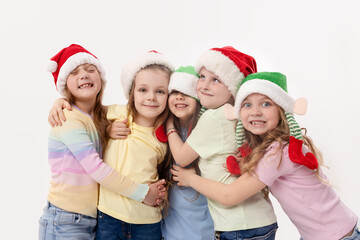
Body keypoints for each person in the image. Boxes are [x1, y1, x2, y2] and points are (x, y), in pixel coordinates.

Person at [171, 72, 360, 240]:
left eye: (266, 103)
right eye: (247, 104)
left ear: (281, 109)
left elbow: (229, 195)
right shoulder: (274, 148)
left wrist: (190, 179)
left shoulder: (278, 152)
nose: (255, 111)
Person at [39, 44, 166, 240]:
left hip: (90, 219)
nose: (84, 75)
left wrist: (106, 130)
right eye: (74, 72)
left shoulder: (96, 118)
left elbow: (102, 120)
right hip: (64, 218)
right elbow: (96, 169)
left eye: (91, 70)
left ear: (101, 79)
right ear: (64, 85)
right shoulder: (68, 118)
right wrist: (143, 193)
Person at [166, 47, 278, 240]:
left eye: (216, 79)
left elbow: (182, 157)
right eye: (202, 77)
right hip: (259, 219)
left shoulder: (214, 118)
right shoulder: (233, 114)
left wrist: (169, 125)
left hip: (239, 225)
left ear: (232, 87)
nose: (204, 85)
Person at [95, 50, 173, 240]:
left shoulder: (167, 133)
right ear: (131, 92)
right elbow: (86, 112)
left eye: (160, 91)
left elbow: (168, 171)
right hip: (109, 217)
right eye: (143, 90)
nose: (151, 97)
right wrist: (106, 130)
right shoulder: (119, 115)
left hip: (147, 221)